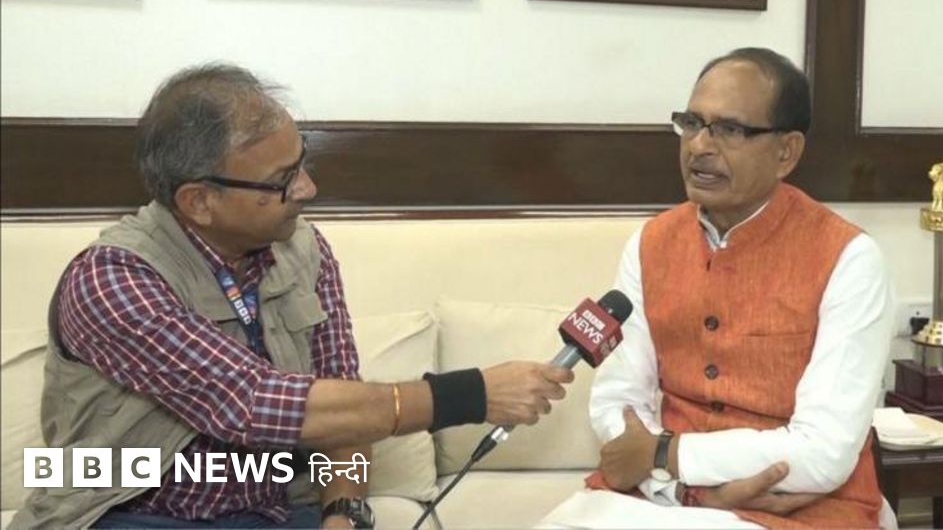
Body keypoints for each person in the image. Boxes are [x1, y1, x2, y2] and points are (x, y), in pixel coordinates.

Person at [12, 63, 573, 530]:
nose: (307, 189)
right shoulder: (113, 279)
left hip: (277, 510)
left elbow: (345, 409)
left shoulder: (303, 249)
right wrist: (470, 394)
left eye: (302, 162)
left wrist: (343, 512)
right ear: (199, 201)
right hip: (127, 513)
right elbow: (251, 403)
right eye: (283, 180)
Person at [585, 48, 894, 528]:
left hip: (798, 505)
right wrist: (680, 490)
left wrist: (667, 454)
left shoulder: (850, 259)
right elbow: (617, 402)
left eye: (729, 130)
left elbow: (825, 452)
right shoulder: (650, 243)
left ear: (786, 152)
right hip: (662, 498)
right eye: (692, 123)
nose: (699, 146)